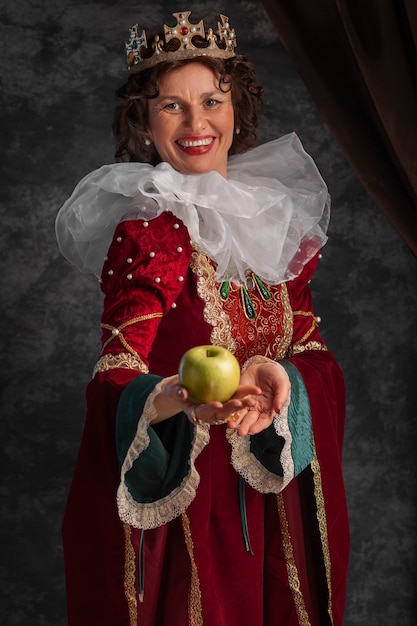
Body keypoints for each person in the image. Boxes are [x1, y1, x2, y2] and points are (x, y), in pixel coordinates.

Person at [56, 10, 349, 626]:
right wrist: (173, 398)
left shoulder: (275, 225)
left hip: (273, 485)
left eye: (211, 101)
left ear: (236, 108)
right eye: (172, 106)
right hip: (193, 501)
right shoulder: (149, 232)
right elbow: (115, 372)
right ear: (144, 120)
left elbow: (313, 351)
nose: (197, 125)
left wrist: (283, 382)